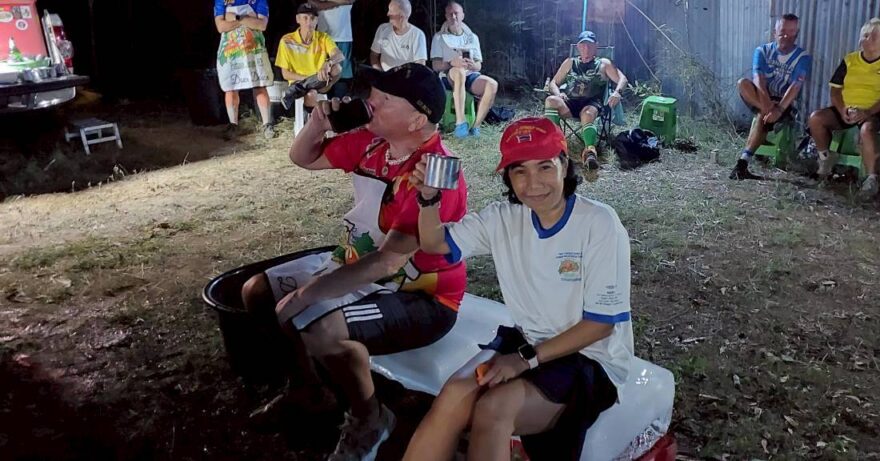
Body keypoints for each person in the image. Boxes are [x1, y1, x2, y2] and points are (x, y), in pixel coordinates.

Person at [241, 63, 468, 461]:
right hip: (359, 265)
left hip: (419, 295)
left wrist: (307, 295)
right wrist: (317, 124)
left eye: (383, 99)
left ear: (417, 119)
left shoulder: (436, 171)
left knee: (319, 328)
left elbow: (389, 260)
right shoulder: (371, 143)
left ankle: (369, 417)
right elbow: (304, 158)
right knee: (257, 291)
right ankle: (308, 390)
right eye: (373, 94)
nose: (370, 102)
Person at [402, 117, 634, 461]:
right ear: (508, 177)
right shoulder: (504, 218)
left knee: (494, 408)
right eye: (519, 171)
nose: (533, 183)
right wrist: (428, 199)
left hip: (590, 358)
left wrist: (525, 360)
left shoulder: (599, 223)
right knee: (453, 395)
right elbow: (435, 244)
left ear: (564, 165)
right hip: (528, 341)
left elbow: (600, 325)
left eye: (545, 167)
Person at [808, 17, 880, 198]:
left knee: (867, 129)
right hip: (848, 109)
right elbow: (835, 89)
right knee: (816, 119)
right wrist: (842, 109)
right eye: (865, 35)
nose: (868, 39)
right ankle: (825, 160)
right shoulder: (850, 60)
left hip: (875, 111)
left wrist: (868, 112)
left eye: (874, 36)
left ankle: (871, 179)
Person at [729, 13, 811, 180]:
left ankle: (742, 163)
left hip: (785, 102)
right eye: (782, 31)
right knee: (742, 83)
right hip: (762, 97)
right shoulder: (762, 51)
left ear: (796, 33)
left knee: (762, 117)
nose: (786, 36)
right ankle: (745, 161)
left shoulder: (803, 57)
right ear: (775, 32)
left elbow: (795, 87)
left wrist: (778, 109)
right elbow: (758, 78)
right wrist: (767, 105)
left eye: (791, 31)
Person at [544, 31, 628, 170]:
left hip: (592, 104)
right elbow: (553, 83)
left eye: (589, 45)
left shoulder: (603, 64)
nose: (586, 49)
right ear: (578, 47)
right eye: (583, 46)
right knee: (551, 100)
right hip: (570, 103)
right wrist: (558, 94)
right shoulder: (570, 62)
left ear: (596, 46)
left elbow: (622, 79)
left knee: (587, 113)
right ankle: (557, 146)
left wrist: (617, 93)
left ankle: (589, 152)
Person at [430, 1, 499, 139]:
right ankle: (460, 123)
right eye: (450, 14)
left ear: (462, 15)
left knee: (492, 84)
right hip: (448, 76)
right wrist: (451, 63)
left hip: (469, 74)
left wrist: (472, 64)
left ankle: (476, 126)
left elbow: (479, 65)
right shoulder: (439, 38)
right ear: (446, 16)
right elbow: (435, 66)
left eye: (456, 13)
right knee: (459, 72)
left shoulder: (472, 37)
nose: (453, 16)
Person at [213, 0, 276, 139]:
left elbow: (261, 25)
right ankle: (233, 124)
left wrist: (236, 18)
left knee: (260, 84)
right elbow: (221, 26)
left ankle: (267, 124)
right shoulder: (221, 1)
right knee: (231, 87)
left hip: (254, 49)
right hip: (231, 51)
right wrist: (248, 19)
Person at [276, 3, 344, 112]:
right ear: (298, 19)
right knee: (311, 93)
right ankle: (311, 118)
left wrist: (328, 63)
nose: (309, 22)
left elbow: (339, 55)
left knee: (337, 68)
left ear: (317, 20)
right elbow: (286, 74)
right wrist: (310, 79)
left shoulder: (323, 38)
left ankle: (296, 92)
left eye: (312, 18)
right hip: (298, 81)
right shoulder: (287, 40)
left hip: (319, 82)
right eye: (305, 18)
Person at [312, 0, 356, 99]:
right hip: (322, 36)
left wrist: (326, 3)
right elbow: (314, 4)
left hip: (343, 37)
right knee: (320, 78)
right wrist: (339, 3)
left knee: (341, 80)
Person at [370, 0, 427, 71]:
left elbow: (420, 65)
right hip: (385, 75)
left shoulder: (418, 35)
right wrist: (380, 72)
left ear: (401, 17)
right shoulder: (382, 29)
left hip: (407, 77)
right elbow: (374, 55)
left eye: (391, 11)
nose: (388, 14)